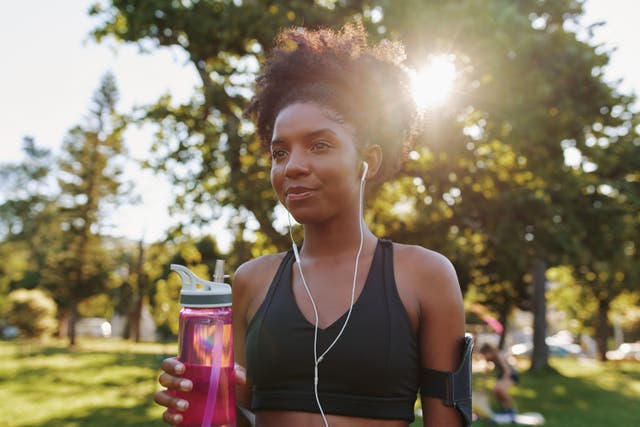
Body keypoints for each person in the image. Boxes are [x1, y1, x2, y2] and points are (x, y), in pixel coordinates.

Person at [154, 22, 472, 427]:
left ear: (367, 161)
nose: (294, 166)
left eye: (320, 145)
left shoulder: (425, 276)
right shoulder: (251, 282)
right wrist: (197, 400)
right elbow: (232, 416)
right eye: (279, 152)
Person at [478, 343, 519, 423]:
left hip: (510, 374)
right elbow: (486, 372)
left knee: (500, 389)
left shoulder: (498, 355)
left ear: (489, 351)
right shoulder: (490, 358)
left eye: (485, 354)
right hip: (501, 375)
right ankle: (505, 408)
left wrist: (504, 382)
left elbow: (506, 369)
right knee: (495, 391)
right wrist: (483, 386)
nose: (485, 357)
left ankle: (512, 410)